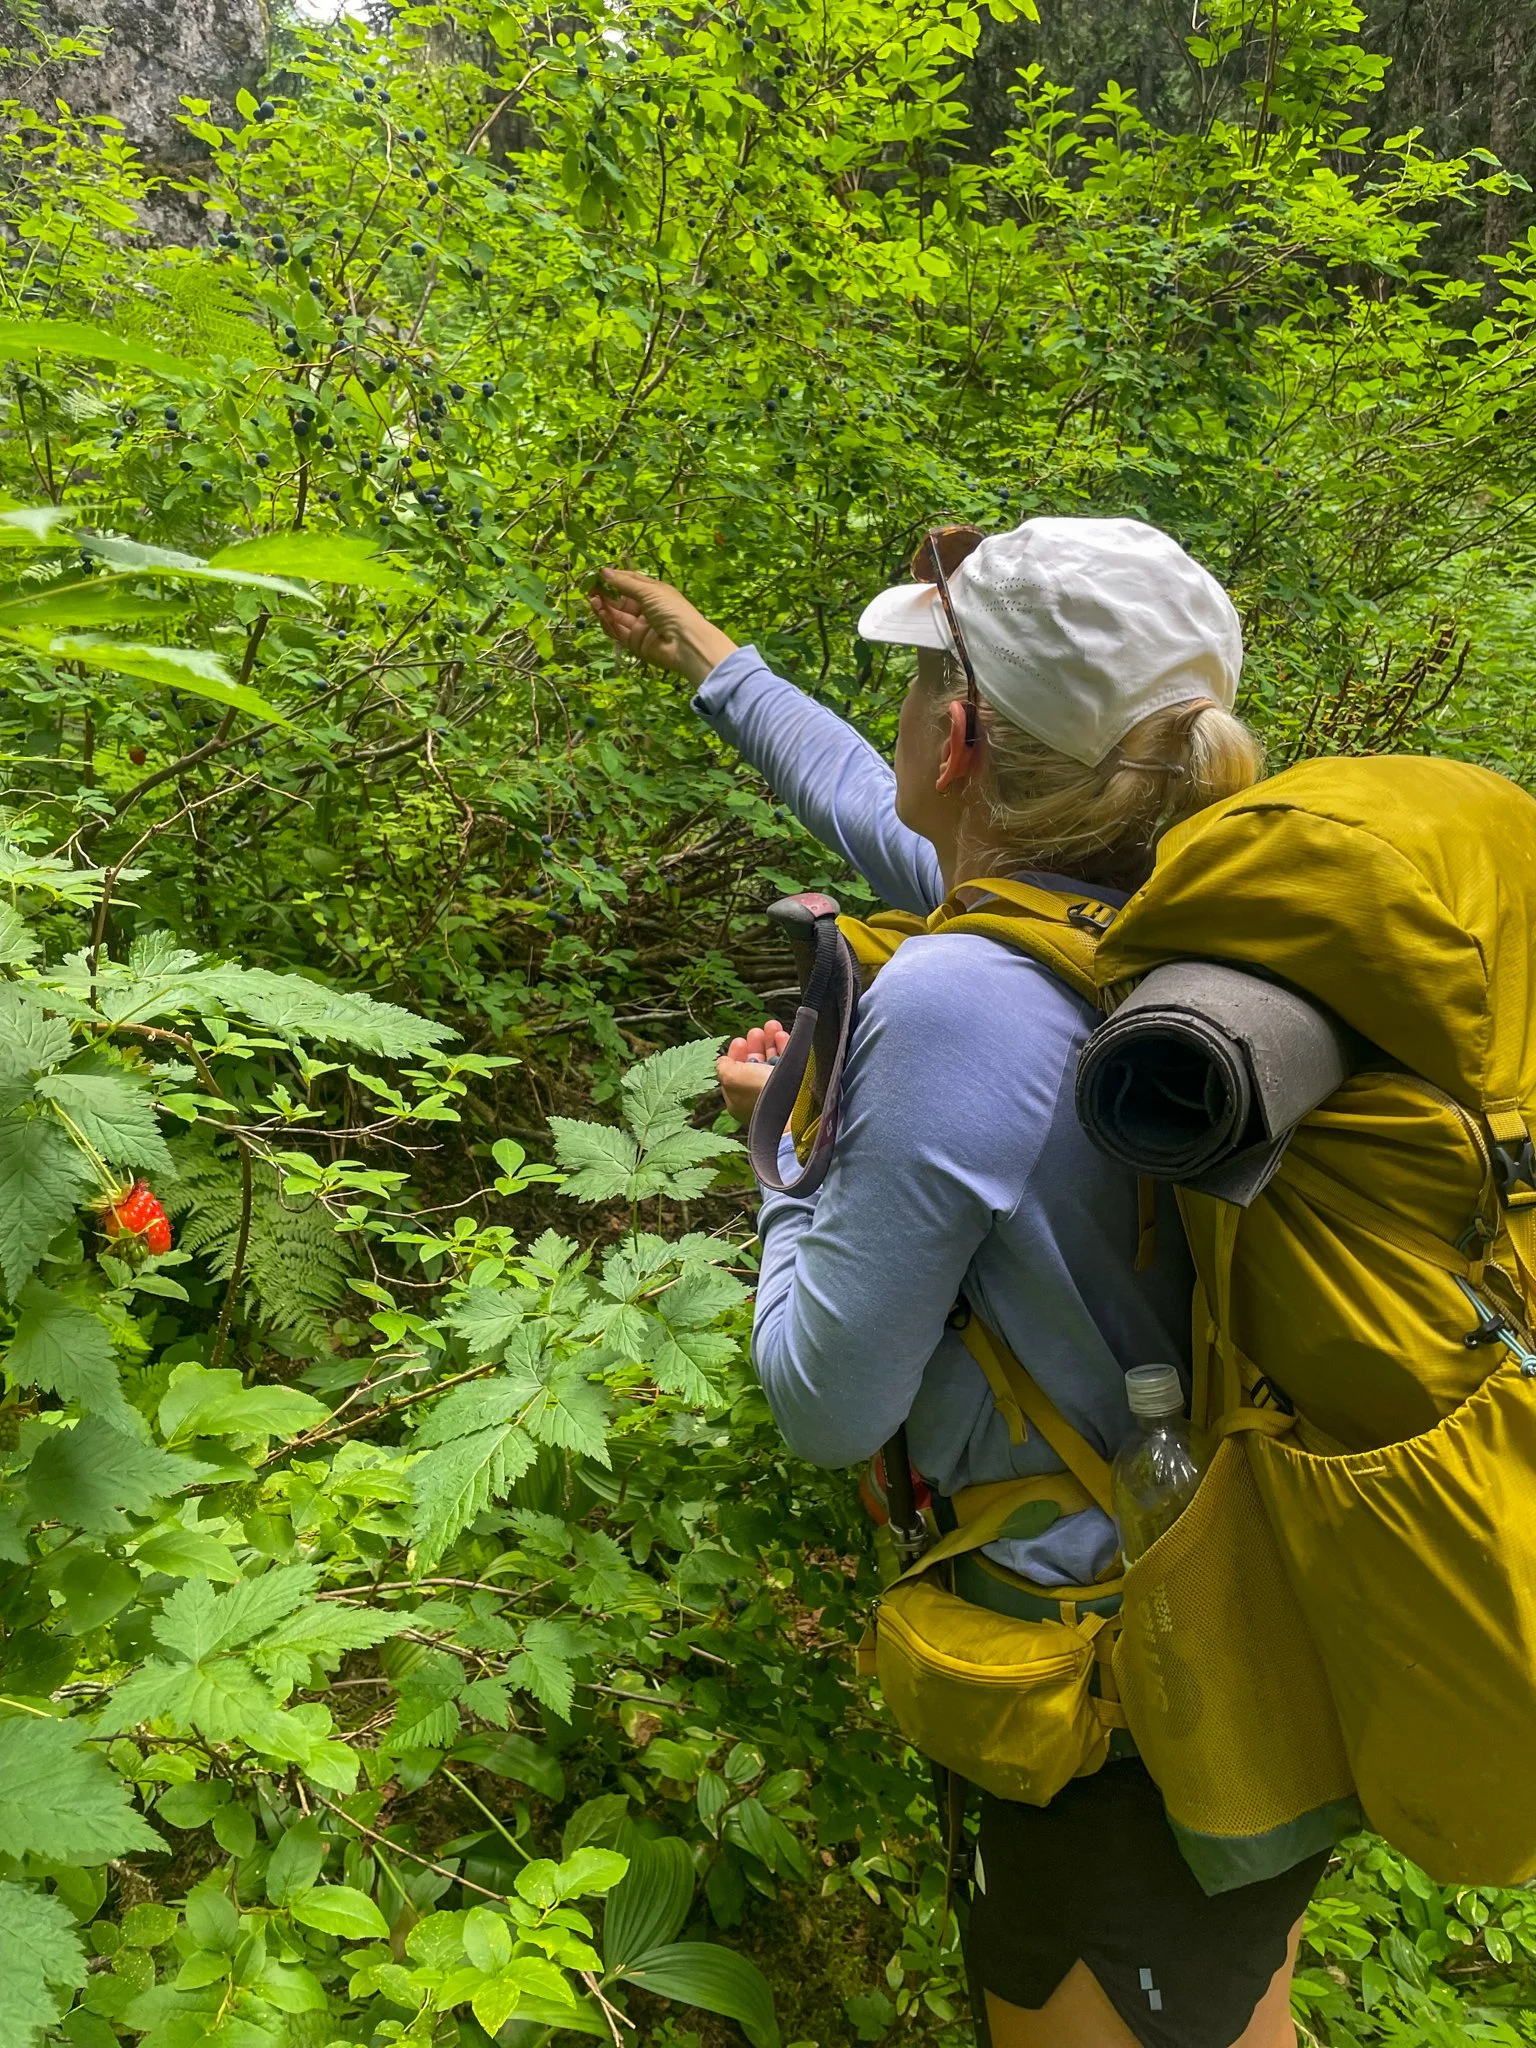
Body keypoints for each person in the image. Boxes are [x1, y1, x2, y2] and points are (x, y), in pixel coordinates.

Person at [589, 517, 1325, 2048]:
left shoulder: (963, 998)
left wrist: (778, 1139)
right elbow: (875, 805)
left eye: (924, 679)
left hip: (1102, 1696)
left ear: (969, 730)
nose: (907, 718)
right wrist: (711, 659)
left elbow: (821, 1398)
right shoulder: (1177, 913)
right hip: (1246, 1634)